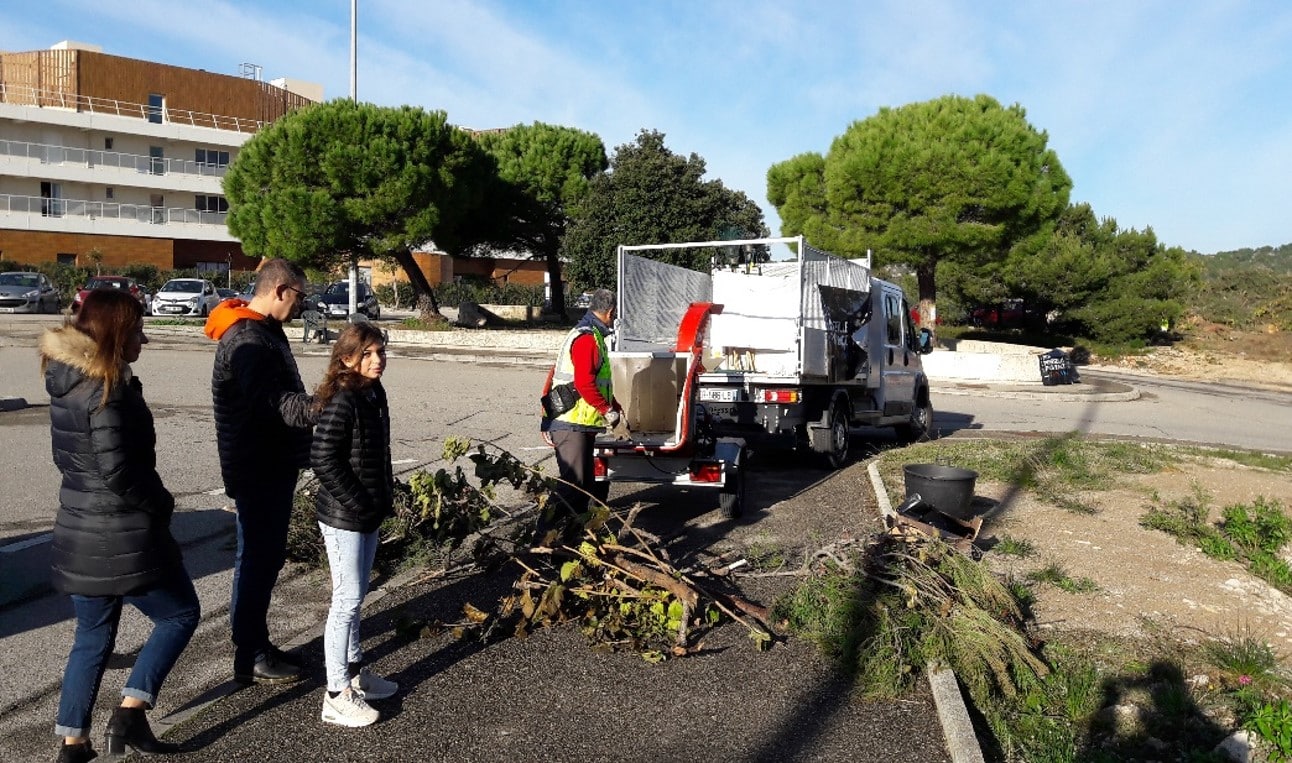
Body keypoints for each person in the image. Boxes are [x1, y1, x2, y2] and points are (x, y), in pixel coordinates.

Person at [40, 288, 200, 762]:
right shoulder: (105, 392)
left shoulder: (67, 382)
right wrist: (161, 503)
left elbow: (66, 458)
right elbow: (121, 473)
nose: (144, 339)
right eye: (136, 331)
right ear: (115, 332)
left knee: (91, 637)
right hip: (123, 535)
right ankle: (130, 713)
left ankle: (73, 743)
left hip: (77, 529)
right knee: (179, 614)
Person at [205, 258, 317, 684]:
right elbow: (274, 403)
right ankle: (250, 652)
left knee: (262, 559)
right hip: (258, 466)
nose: (302, 306)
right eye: (301, 296)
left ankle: (255, 644)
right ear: (282, 290)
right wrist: (325, 408)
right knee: (256, 560)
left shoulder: (261, 330)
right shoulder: (246, 338)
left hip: (268, 463)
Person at [310, 323, 398, 727]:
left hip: (367, 515)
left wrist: (384, 498)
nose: (377, 360)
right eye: (367, 353)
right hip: (345, 518)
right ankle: (335, 693)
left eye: (380, 351)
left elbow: (378, 454)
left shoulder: (373, 393)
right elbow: (324, 459)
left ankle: (357, 675)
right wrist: (360, 503)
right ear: (346, 359)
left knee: (358, 597)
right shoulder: (343, 398)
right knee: (345, 601)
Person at [538, 287, 623, 535]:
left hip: (576, 424)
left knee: (584, 486)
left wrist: (615, 406)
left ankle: (572, 538)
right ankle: (542, 537)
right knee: (573, 486)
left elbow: (588, 382)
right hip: (571, 424)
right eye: (615, 314)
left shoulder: (590, 336)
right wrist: (609, 411)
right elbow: (584, 384)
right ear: (610, 312)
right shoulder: (587, 339)